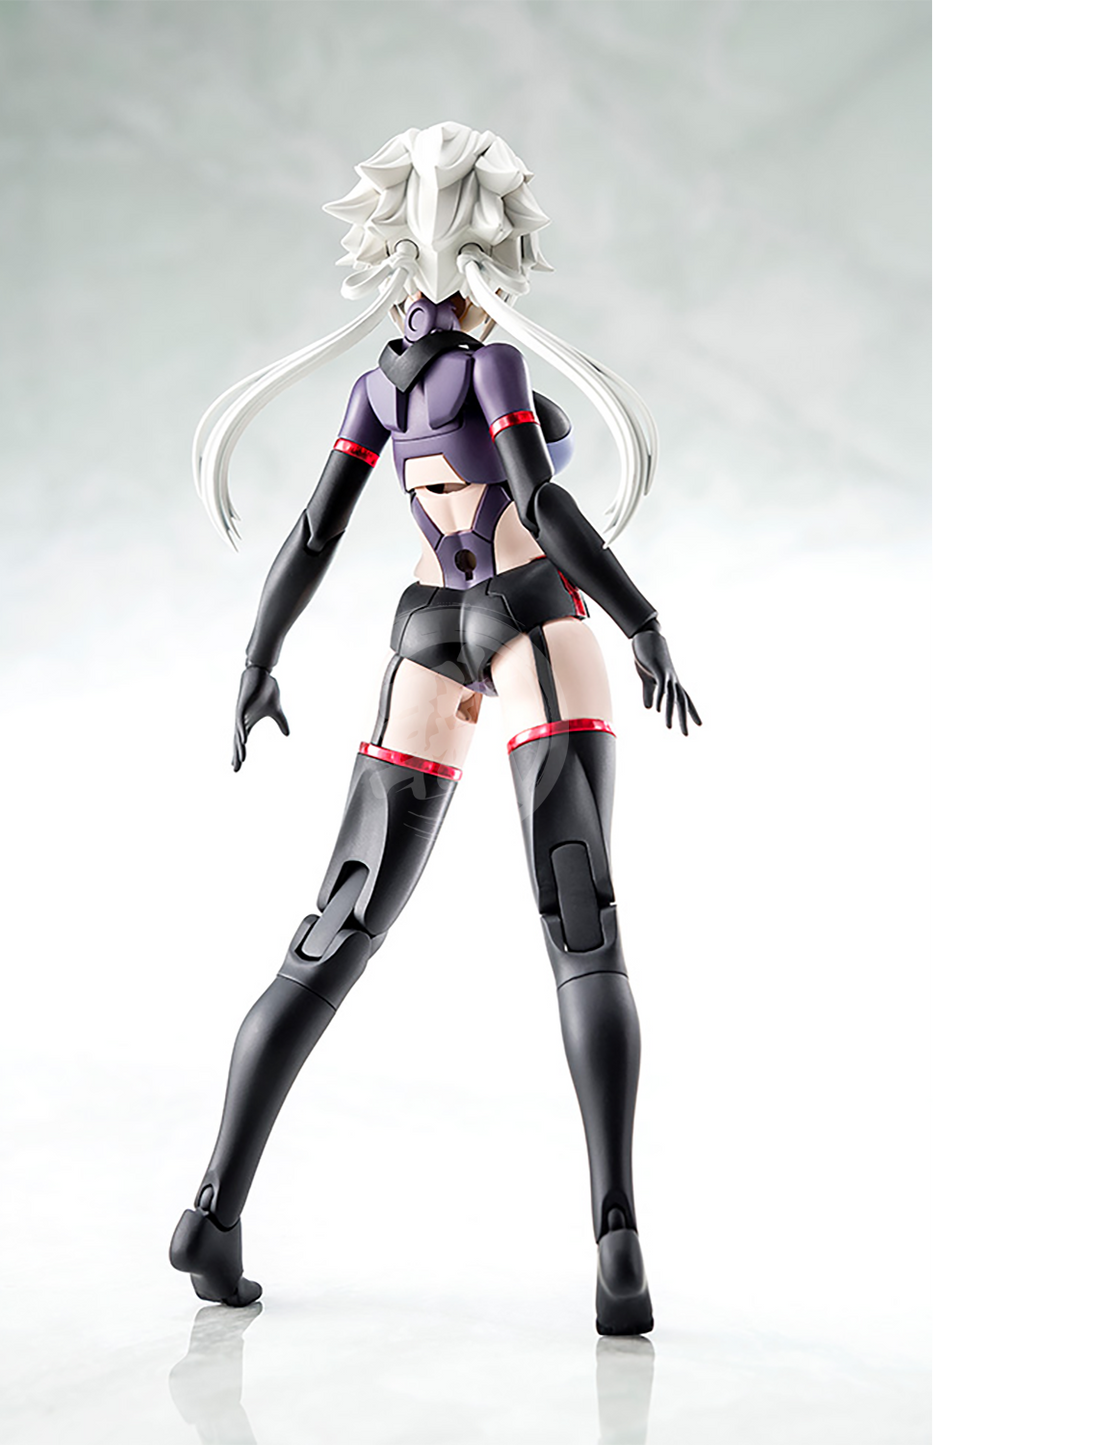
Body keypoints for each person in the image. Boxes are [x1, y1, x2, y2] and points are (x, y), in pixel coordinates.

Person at [170, 123, 698, 1336]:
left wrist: (258, 656)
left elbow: (313, 533)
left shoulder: (377, 386)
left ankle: (213, 1205)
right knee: (581, 931)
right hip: (528, 614)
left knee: (331, 931)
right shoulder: (492, 367)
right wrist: (641, 619)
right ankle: (614, 1228)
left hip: (421, 628)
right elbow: (542, 503)